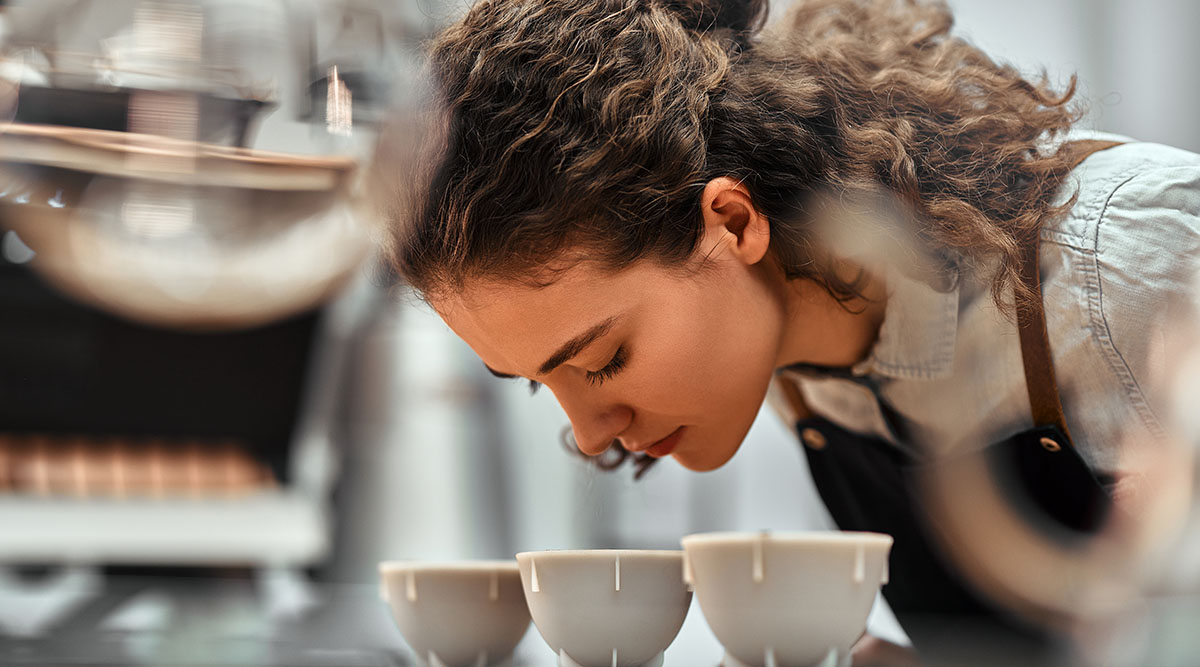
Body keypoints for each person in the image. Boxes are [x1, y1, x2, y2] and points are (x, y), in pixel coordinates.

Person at [383, 0, 1200, 662]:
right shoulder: (785, 360)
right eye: (537, 378)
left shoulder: (1134, 260)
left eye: (605, 358)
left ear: (733, 222)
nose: (592, 434)